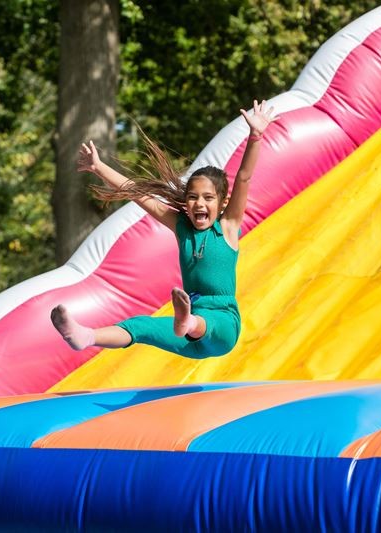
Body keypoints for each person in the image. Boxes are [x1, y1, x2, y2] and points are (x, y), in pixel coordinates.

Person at [51, 100, 279, 358]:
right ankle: (86, 336)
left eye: (207, 198)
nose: (199, 203)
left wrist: (256, 135)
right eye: (193, 197)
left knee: (205, 323)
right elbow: (137, 193)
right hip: (188, 336)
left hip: (223, 326)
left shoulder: (227, 226)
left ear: (223, 203)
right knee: (140, 325)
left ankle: (189, 322)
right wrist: (98, 167)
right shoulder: (182, 228)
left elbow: (244, 177)